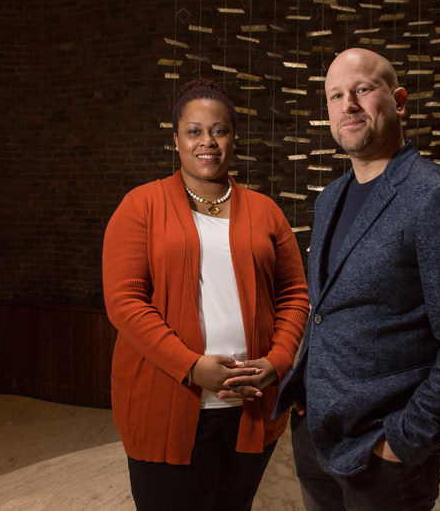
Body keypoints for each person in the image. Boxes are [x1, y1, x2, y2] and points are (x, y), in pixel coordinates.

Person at [272, 48, 440, 511]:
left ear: (398, 101)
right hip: (316, 436)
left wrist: (406, 439)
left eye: (361, 89)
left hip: (384, 456)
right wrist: (305, 390)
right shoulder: (330, 197)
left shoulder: (436, 197)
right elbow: (328, 309)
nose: (348, 105)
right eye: (335, 96)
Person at [103, 79, 310, 511]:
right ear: (176, 138)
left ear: (234, 137)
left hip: (250, 403)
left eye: (219, 130)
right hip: (166, 402)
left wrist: (277, 363)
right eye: (194, 131)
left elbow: (295, 295)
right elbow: (125, 302)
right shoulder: (140, 205)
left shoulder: (266, 210)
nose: (207, 142)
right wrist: (192, 367)